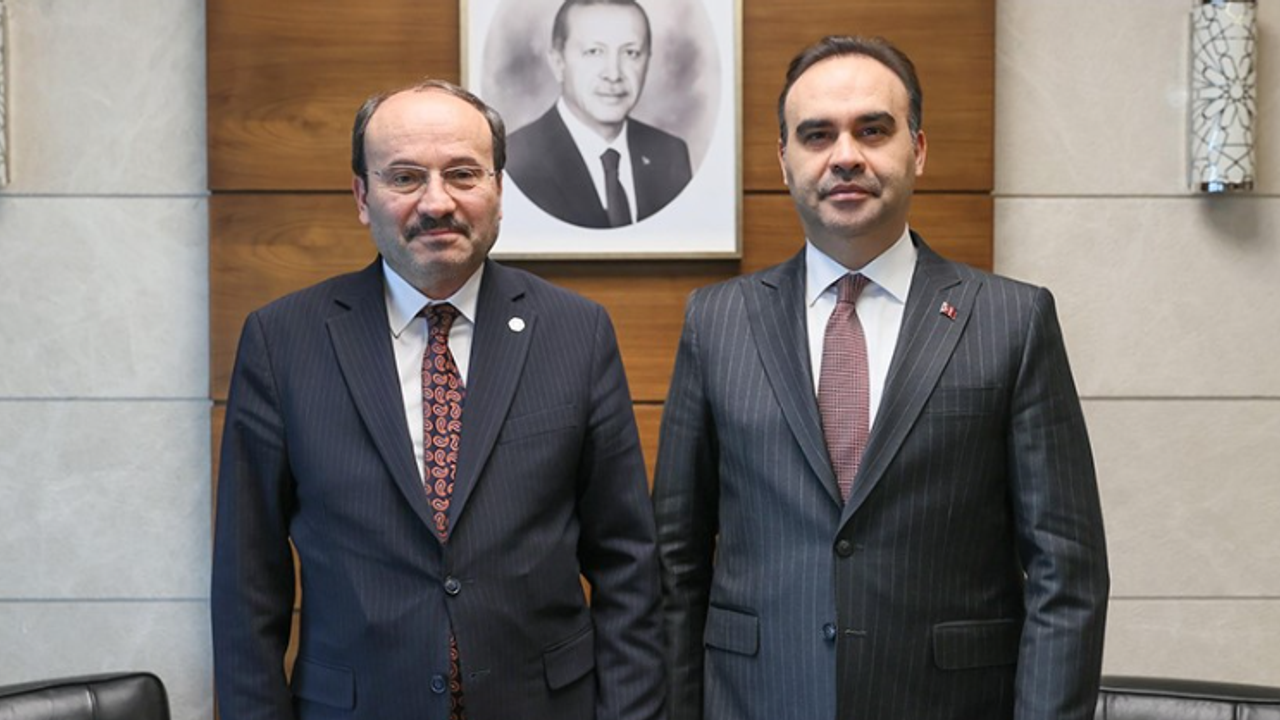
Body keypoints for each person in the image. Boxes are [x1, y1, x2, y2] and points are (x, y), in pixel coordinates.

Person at [653, 35, 1109, 720]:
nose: (845, 156)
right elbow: (675, 564)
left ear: (917, 150)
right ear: (784, 160)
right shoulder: (717, 322)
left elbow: (1066, 573)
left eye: (872, 130)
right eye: (817, 135)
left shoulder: (1013, 321)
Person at [211, 79, 664, 720]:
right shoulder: (282, 342)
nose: (437, 201)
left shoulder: (576, 332)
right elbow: (246, 583)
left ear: (499, 190)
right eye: (404, 178)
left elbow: (628, 566)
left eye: (462, 174)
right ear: (362, 197)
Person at [506, 0, 692, 229]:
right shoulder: (514, 159)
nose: (613, 74)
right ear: (558, 63)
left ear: (647, 61)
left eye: (631, 53)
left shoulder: (670, 154)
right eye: (594, 52)